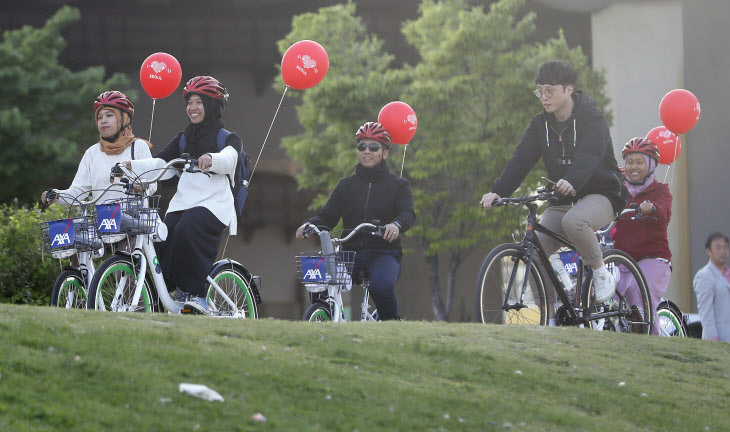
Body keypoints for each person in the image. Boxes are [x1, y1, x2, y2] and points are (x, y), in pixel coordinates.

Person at [480, 60, 626, 303]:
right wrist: (498, 191)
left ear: (568, 89)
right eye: (540, 91)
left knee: (575, 221)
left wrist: (572, 180)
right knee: (534, 249)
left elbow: (590, 155)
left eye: (550, 91)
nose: (544, 97)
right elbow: (520, 161)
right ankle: (553, 314)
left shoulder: (592, 117)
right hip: (564, 197)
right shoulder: (540, 125)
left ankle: (601, 272)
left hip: (603, 193)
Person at [126, 76, 242, 315]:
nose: (192, 107)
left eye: (199, 102)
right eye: (189, 102)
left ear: (211, 106)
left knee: (187, 229)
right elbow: (160, 162)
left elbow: (231, 158)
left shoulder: (227, 138)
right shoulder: (183, 138)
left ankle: (197, 293)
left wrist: (212, 159)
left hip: (215, 205)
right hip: (183, 203)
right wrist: (129, 167)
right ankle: (172, 290)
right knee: (161, 235)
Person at [295, 122, 416, 321]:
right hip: (349, 254)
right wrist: (309, 225)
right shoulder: (346, 185)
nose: (366, 151)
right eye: (362, 147)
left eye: (373, 147)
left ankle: (392, 327)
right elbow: (327, 217)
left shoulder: (399, 185)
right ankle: (325, 315)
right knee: (318, 281)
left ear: (385, 153)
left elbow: (408, 214)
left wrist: (396, 225)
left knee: (380, 287)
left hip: (384, 253)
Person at [41, 90, 155, 207]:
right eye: (99, 117)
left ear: (124, 119)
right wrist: (56, 195)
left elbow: (152, 184)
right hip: (104, 222)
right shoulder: (92, 153)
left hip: (137, 221)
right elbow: (77, 192)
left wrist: (141, 187)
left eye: (109, 115)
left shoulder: (139, 146)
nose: (103, 120)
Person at [611, 137, 672, 335]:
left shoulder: (660, 190)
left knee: (639, 293)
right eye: (630, 162)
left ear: (650, 165)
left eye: (639, 162)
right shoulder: (619, 191)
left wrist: (652, 208)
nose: (633, 167)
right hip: (622, 260)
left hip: (653, 259)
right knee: (610, 299)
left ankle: (651, 344)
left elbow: (664, 212)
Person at [692, 233, 730, 342]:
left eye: (725, 247)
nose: (722, 251)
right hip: (719, 339)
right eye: (718, 247)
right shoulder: (704, 275)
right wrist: (712, 339)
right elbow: (705, 311)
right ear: (708, 251)